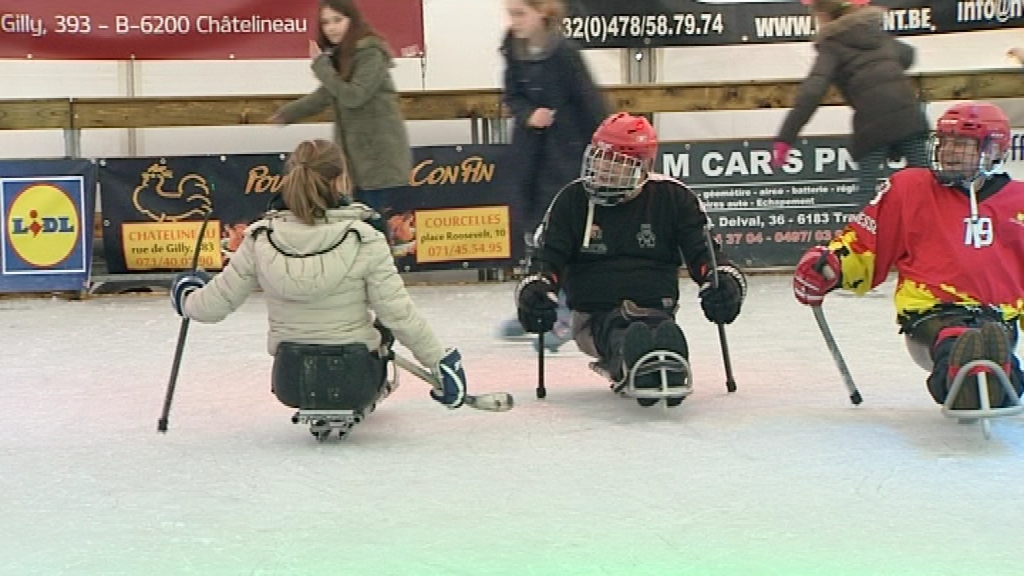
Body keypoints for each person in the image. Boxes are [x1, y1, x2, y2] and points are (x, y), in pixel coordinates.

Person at [169, 139, 467, 431]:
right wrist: (442, 363)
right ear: (340, 180)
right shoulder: (364, 238)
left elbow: (214, 304)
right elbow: (399, 315)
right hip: (355, 379)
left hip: (291, 380)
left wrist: (187, 295)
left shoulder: (260, 238)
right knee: (383, 325)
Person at [792, 101, 1024, 411]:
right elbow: (864, 244)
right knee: (956, 342)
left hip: (998, 316)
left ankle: (997, 376)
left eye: (962, 144)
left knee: (992, 340)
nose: (949, 151)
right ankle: (967, 380)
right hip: (931, 315)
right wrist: (830, 266)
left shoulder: (1019, 201)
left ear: (994, 150)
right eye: (944, 141)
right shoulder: (908, 188)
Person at [515, 113, 747, 407]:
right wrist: (536, 290)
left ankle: (666, 353)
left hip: (656, 307)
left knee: (651, 325)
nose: (603, 170)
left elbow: (707, 254)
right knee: (620, 329)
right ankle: (632, 359)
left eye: (617, 163)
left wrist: (724, 283)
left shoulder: (674, 198)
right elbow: (546, 259)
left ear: (644, 167)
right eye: (600, 158)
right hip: (593, 316)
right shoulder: (572, 200)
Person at [497, 0, 609, 351]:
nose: (513, 21)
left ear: (542, 12)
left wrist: (603, 149)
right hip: (530, 155)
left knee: (561, 234)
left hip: (566, 155)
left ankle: (563, 312)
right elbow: (511, 95)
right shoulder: (512, 50)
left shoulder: (564, 54)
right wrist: (528, 113)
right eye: (510, 14)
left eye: (520, 14)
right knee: (534, 233)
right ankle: (534, 304)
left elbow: (591, 103)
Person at [773, 0, 929, 201]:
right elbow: (907, 54)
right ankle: (937, 228)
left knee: (867, 191)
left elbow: (812, 91)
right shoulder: (875, 33)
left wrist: (786, 137)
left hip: (872, 124)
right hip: (908, 117)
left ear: (823, 16)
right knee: (927, 181)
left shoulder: (832, 44)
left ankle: (862, 231)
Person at [271, 0, 410, 212]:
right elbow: (327, 94)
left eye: (338, 20)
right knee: (358, 220)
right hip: (355, 156)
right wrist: (286, 115)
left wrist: (321, 66)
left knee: (372, 222)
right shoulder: (342, 55)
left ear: (352, 20)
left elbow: (354, 96)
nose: (331, 28)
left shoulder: (371, 54)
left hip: (377, 156)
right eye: (326, 22)